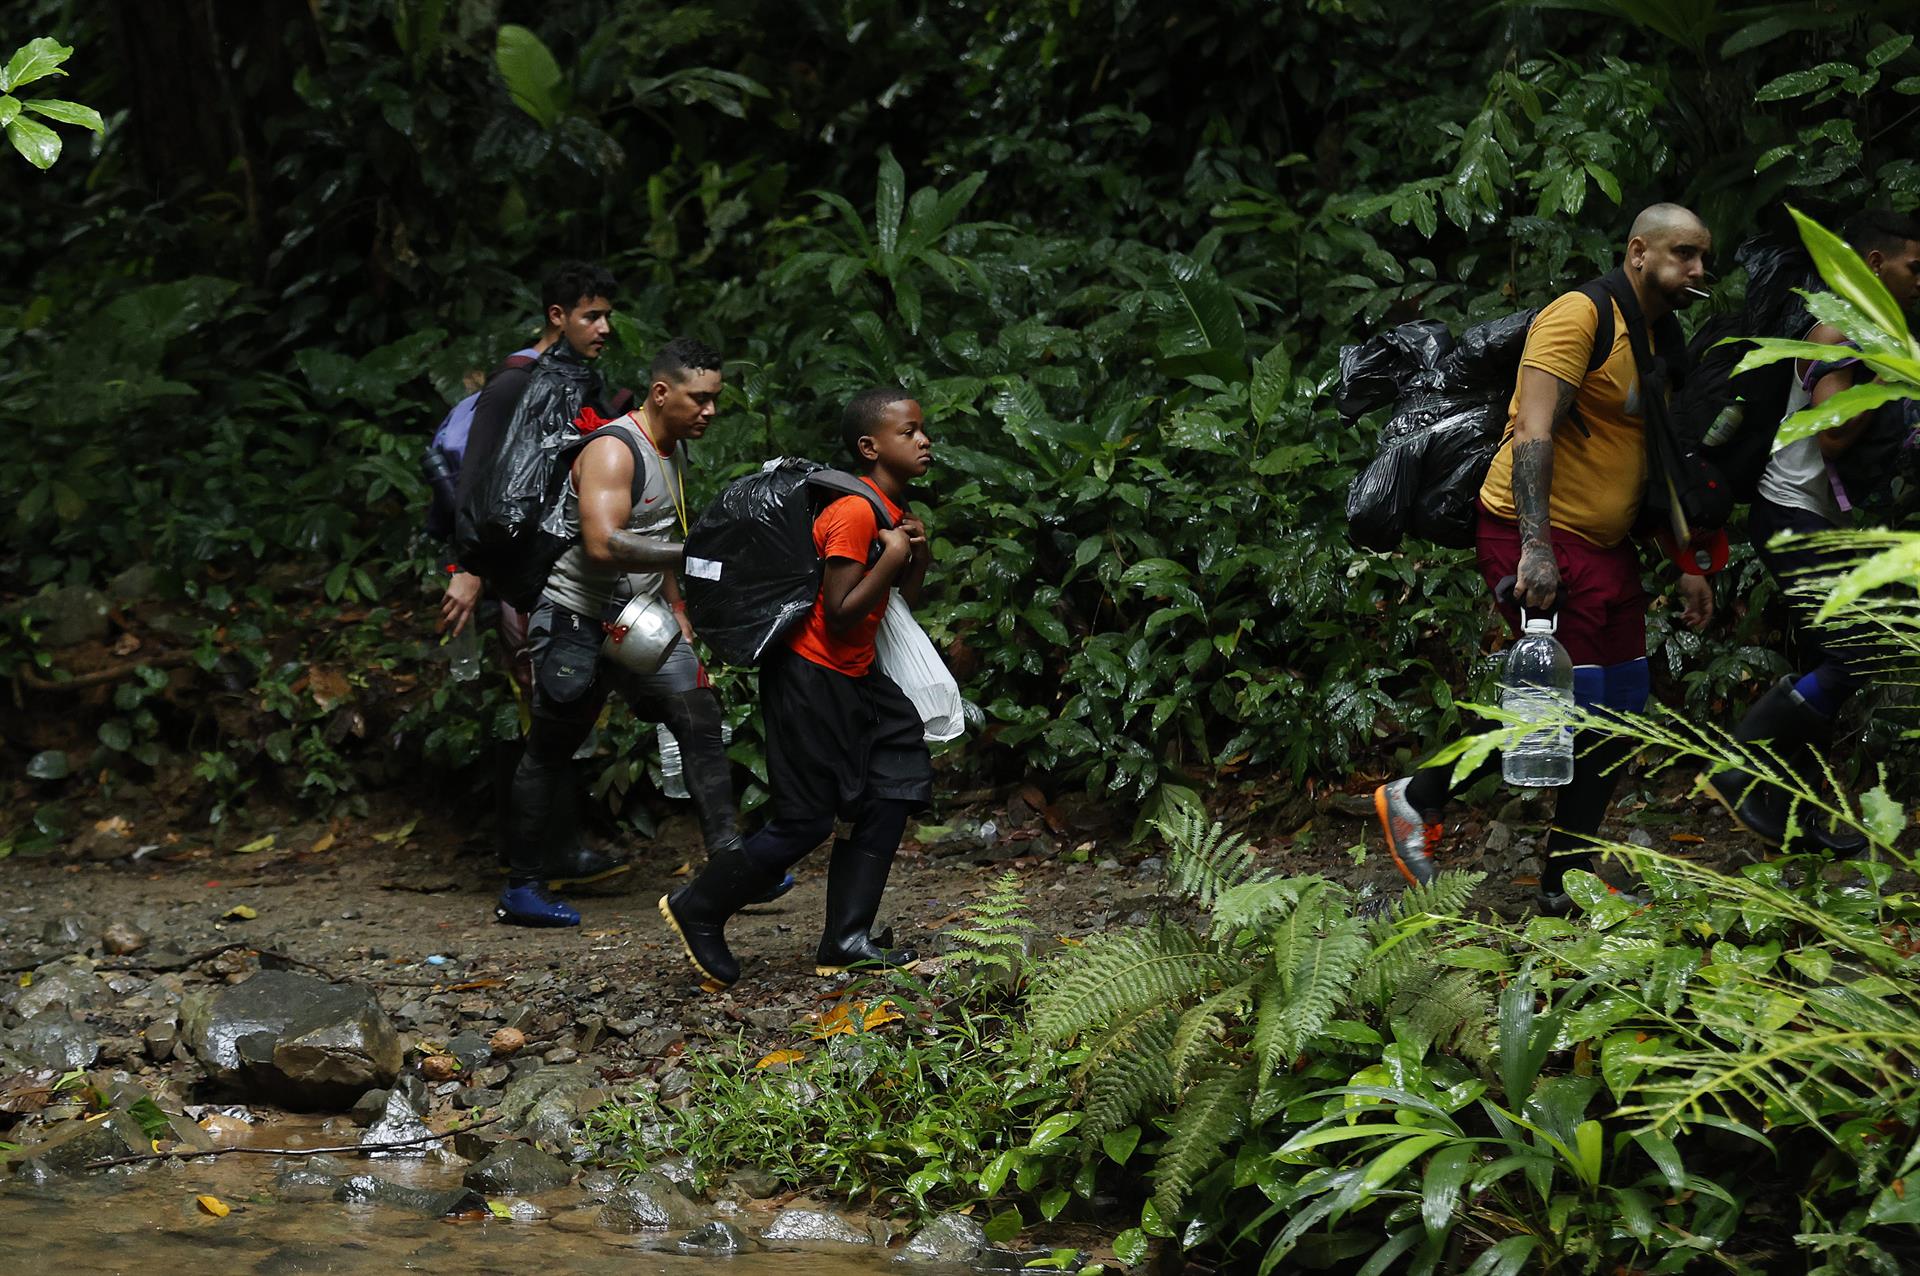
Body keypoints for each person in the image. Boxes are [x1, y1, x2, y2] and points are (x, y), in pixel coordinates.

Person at [1373, 204, 1717, 914]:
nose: (1697, 271)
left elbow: (1648, 456)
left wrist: (1684, 559)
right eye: (1683, 255)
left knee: (1622, 705)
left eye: (1703, 258)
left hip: (1606, 546)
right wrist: (1534, 547)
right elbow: (1532, 428)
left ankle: (1566, 881)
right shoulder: (1578, 317)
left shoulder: (1660, 336)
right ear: (1638, 251)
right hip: (1531, 531)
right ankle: (1417, 796)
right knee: (1569, 704)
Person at [495, 336, 778, 927]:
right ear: (660, 392)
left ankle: (730, 867)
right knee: (552, 743)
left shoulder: (671, 448)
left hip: (641, 618)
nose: (710, 411)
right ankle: (522, 888)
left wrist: (678, 608)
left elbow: (656, 531)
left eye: (714, 399)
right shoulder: (615, 451)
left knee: (699, 717)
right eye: (699, 399)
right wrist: (696, 556)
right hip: (575, 615)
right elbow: (604, 545)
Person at [659, 386, 935, 987]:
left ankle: (846, 938)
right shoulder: (855, 512)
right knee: (805, 820)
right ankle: (699, 907)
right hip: (811, 676)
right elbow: (838, 610)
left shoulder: (888, 513)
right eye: (908, 431)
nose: (923, 440)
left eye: (922, 430)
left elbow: (894, 607)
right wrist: (889, 557)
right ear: (870, 447)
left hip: (857, 676)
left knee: (896, 782)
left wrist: (916, 553)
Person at [1702, 209, 1920, 851]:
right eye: (1916, 266)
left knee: (1841, 658)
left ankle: (1796, 817)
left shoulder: (1881, 331)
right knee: (1858, 654)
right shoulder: (1837, 332)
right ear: (1875, 264)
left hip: (1821, 517)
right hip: (1792, 509)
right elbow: (1830, 434)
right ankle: (1737, 765)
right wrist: (1881, 380)